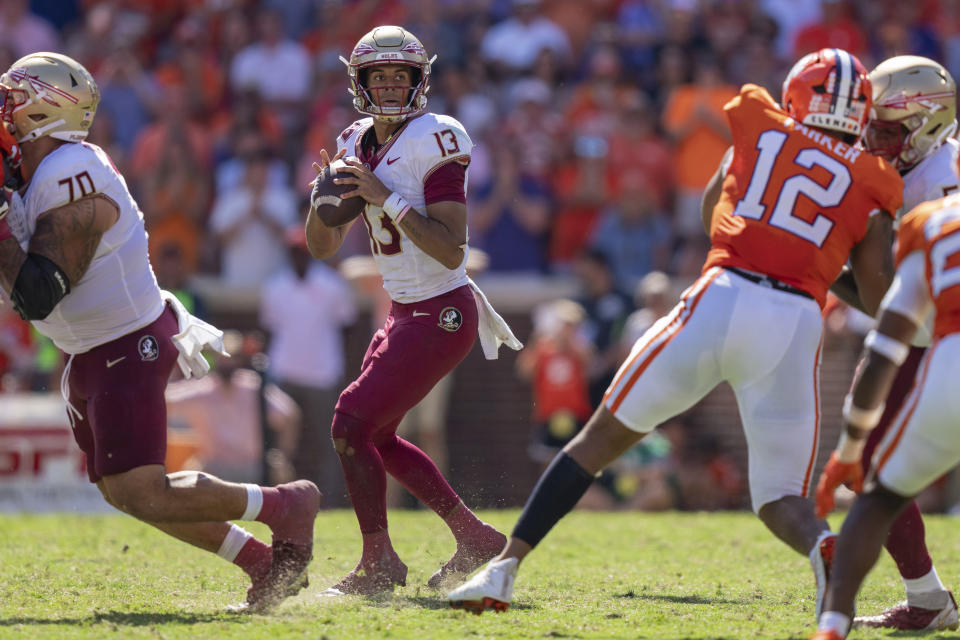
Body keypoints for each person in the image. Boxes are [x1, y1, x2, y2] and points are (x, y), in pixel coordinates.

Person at [447, 48, 901, 614]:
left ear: (795, 95)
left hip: (725, 292)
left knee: (597, 440)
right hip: (795, 321)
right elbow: (882, 296)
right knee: (781, 496)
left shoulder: (757, 130)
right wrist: (822, 262)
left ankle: (503, 571)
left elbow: (715, 210)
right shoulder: (871, 177)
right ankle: (822, 545)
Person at [0, 52, 320, 612]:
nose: (6, 109)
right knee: (124, 492)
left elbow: (35, 293)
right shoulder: (36, 172)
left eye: (15, 97)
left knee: (144, 487)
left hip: (125, 341)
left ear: (48, 110)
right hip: (87, 347)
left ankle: (283, 503)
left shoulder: (71, 176)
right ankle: (262, 563)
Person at [304, 26, 522, 595]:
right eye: (380, 75)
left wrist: (385, 196)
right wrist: (322, 201)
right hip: (404, 310)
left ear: (420, 81)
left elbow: (453, 248)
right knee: (373, 435)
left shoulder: (437, 137)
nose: (392, 85)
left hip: (443, 308)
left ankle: (379, 563)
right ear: (361, 82)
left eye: (402, 75)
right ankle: (472, 535)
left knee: (350, 422)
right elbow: (321, 247)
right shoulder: (354, 140)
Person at [820, 55, 959, 632]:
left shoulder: (920, 190)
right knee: (872, 464)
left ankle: (921, 599)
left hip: (934, 332)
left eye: (884, 129)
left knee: (870, 460)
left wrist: (823, 266)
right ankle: (927, 598)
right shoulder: (929, 160)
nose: (870, 139)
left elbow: (892, 308)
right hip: (933, 329)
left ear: (926, 123)